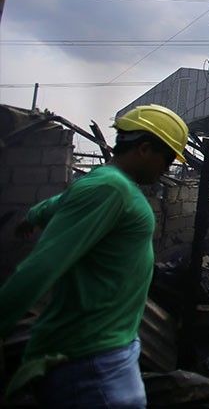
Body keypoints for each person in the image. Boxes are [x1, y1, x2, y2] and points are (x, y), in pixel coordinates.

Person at [0, 104, 189, 408]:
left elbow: (63, 200)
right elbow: (40, 266)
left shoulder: (106, 184)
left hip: (110, 347)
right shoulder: (110, 189)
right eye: (167, 158)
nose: (167, 169)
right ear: (144, 148)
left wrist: (34, 215)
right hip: (91, 360)